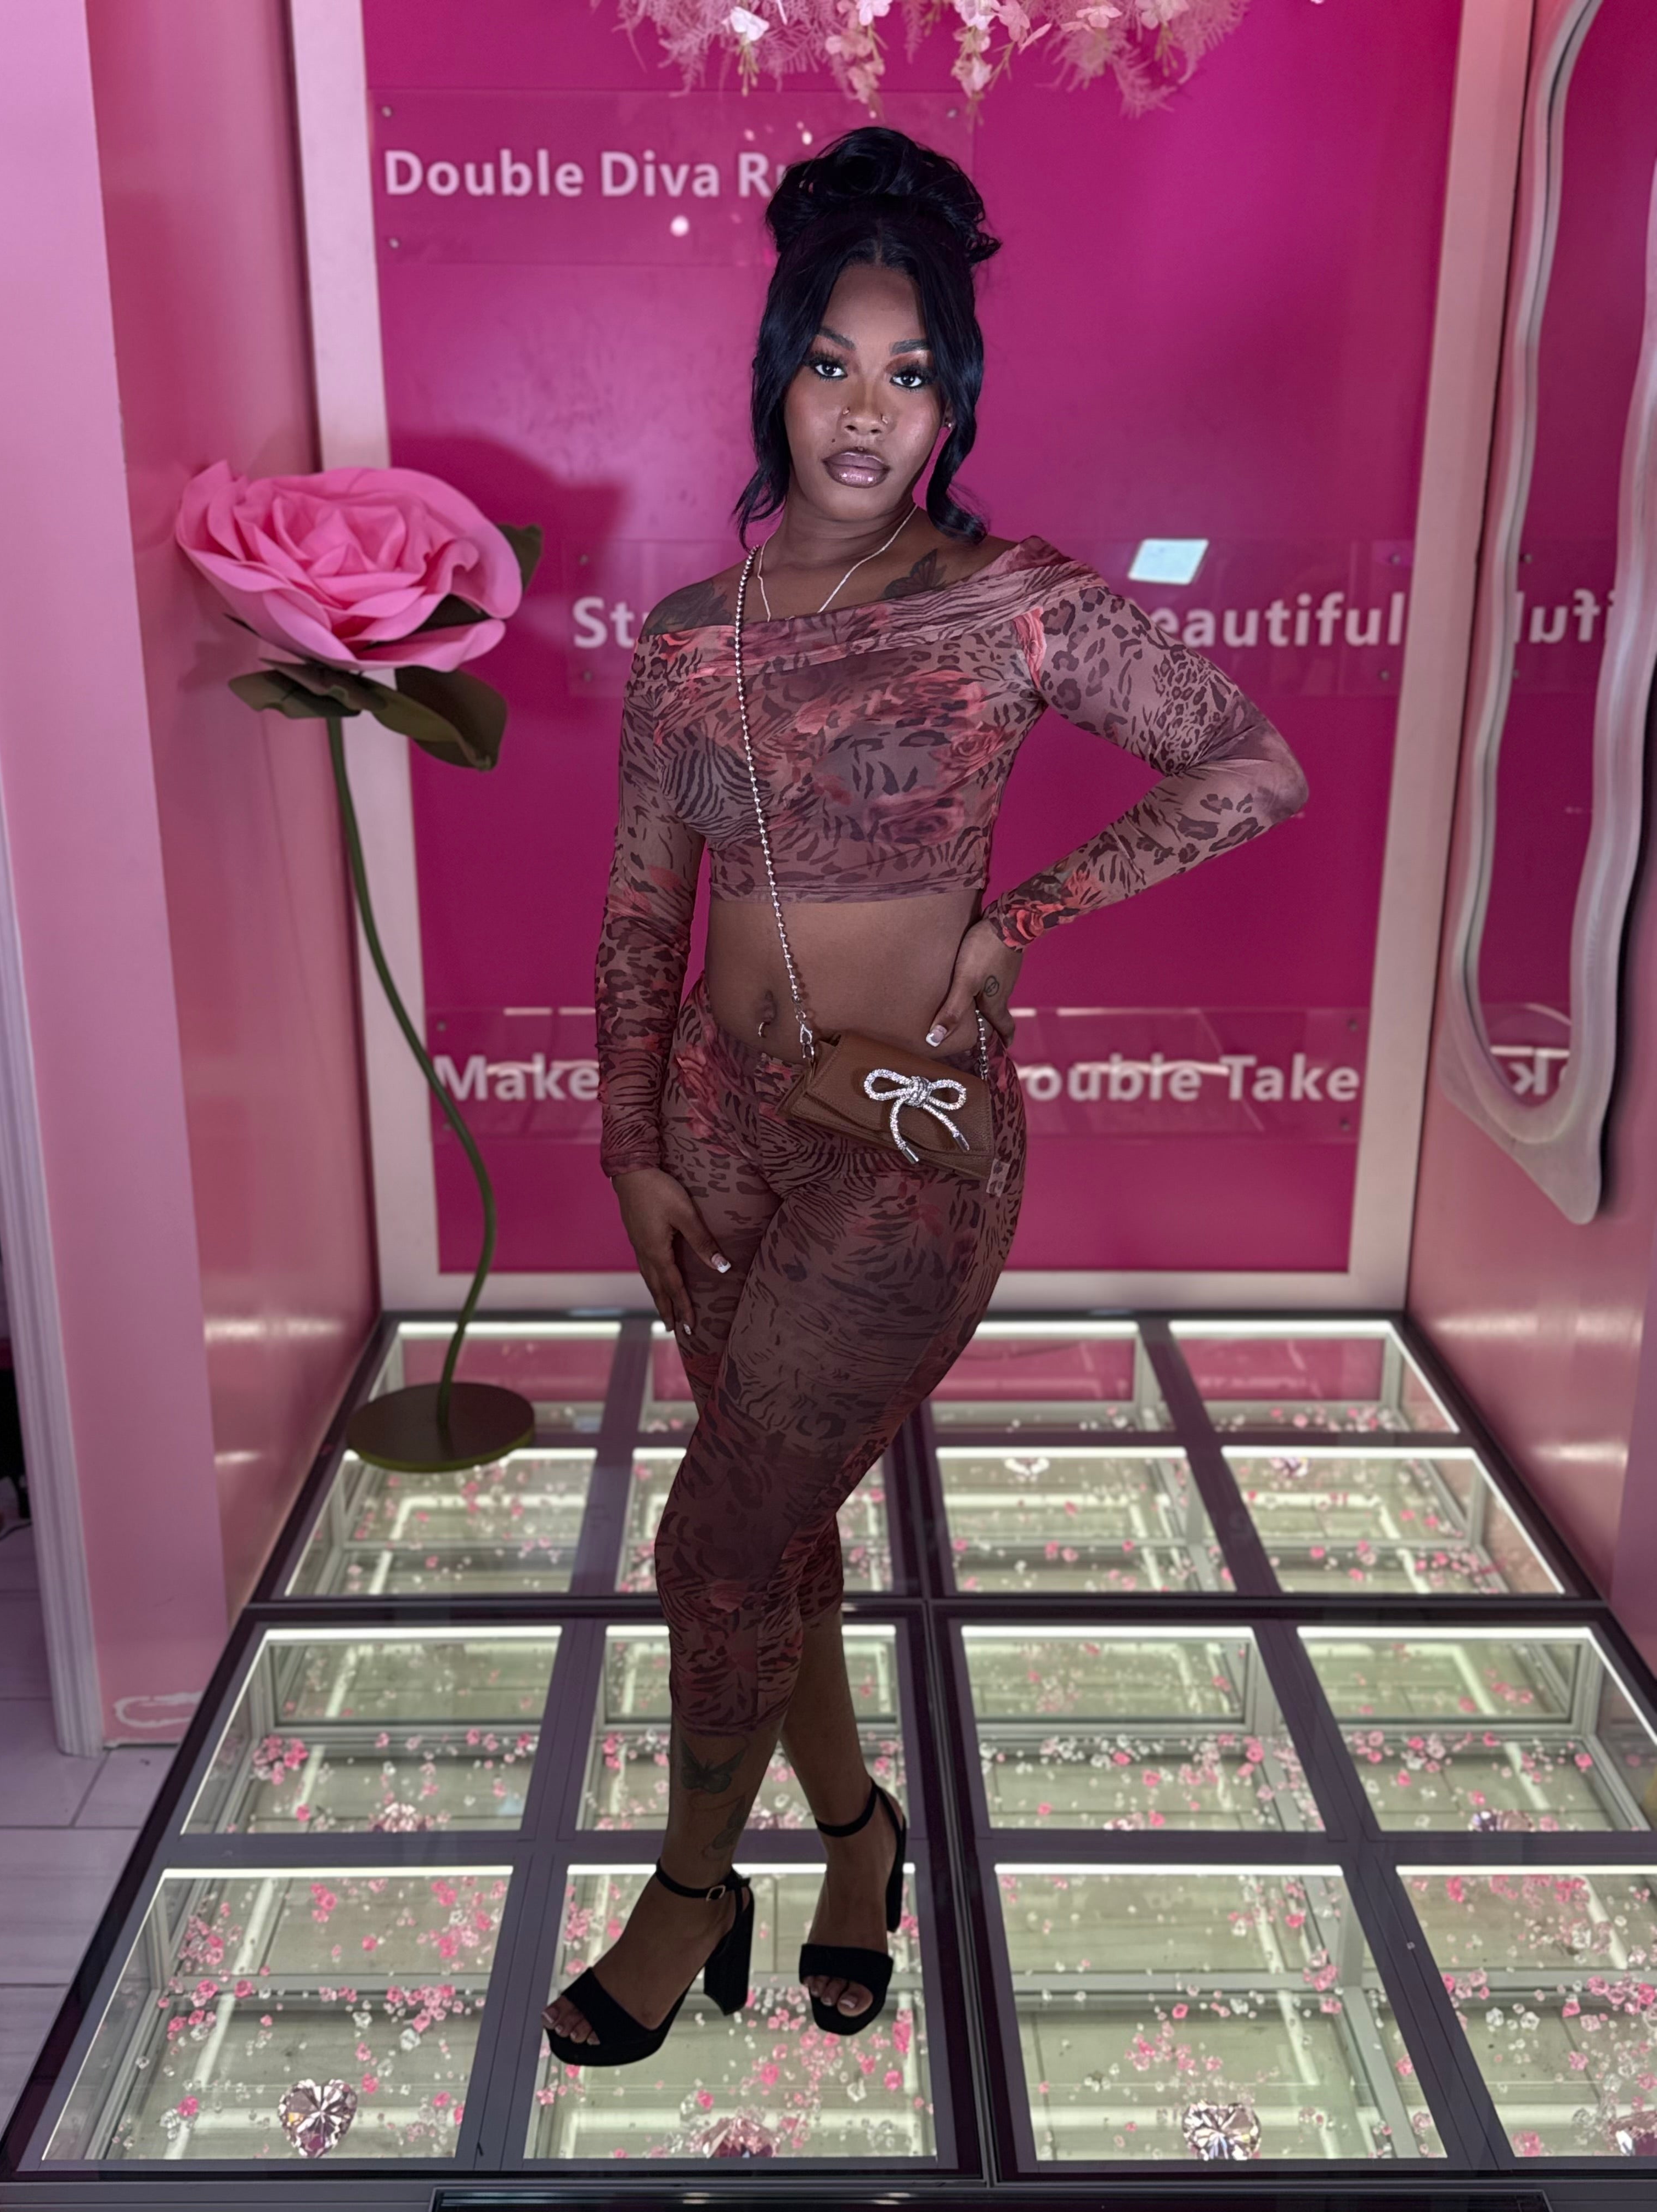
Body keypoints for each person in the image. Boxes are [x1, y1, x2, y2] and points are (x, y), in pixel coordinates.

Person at [545, 126, 1307, 2067]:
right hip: (717, 1131)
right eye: (831, 365)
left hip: (903, 1152)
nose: (866, 413)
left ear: (955, 398)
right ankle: (857, 1842)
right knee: (780, 1523)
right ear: (778, 376)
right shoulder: (691, 638)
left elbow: (1249, 767)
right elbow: (641, 907)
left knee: (715, 1548)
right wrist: (630, 1146)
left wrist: (1020, 920)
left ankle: (689, 1892)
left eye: (910, 372)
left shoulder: (1012, 602)